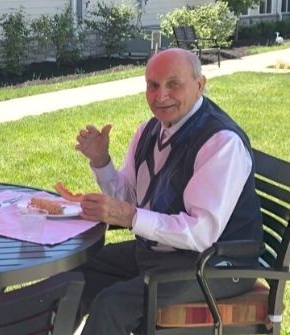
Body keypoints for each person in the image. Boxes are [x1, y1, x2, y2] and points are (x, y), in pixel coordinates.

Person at [73, 48, 262, 334]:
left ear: (200, 85)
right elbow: (130, 200)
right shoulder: (150, 130)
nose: (161, 96)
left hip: (217, 265)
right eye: (153, 85)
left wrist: (131, 217)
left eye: (174, 84)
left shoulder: (221, 142)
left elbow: (200, 234)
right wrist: (101, 161)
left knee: (112, 305)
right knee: (81, 271)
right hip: (165, 253)